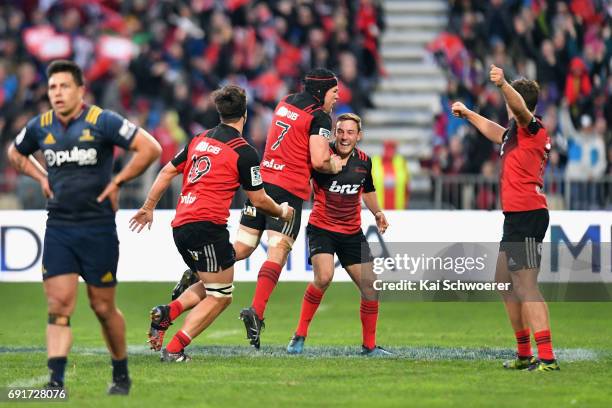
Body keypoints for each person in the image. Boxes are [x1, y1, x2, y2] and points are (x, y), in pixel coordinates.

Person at [7, 60, 162, 393]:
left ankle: (120, 374)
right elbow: (15, 153)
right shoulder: (40, 125)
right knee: (58, 305)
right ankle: (55, 382)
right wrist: (40, 176)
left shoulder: (102, 120)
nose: (57, 93)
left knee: (103, 307)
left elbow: (151, 148)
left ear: (80, 90)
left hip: (98, 228)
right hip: (60, 226)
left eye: (64, 86)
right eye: (52, 88)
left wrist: (119, 180)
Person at [129, 85, 294, 361]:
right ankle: (174, 349)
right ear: (244, 115)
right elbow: (260, 199)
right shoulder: (244, 151)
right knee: (221, 296)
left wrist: (148, 207)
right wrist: (282, 212)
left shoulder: (198, 139)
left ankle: (166, 313)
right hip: (206, 226)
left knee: (212, 284)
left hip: (181, 226)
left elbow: (168, 170)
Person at [451, 65, 559, 372]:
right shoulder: (514, 135)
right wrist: (470, 113)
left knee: (526, 286)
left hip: (527, 214)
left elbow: (519, 109)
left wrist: (503, 85)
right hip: (516, 215)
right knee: (503, 281)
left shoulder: (531, 127)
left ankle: (547, 357)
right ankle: (525, 353)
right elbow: (492, 131)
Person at [236, 68, 342, 349]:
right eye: (334, 92)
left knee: (242, 248)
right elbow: (319, 160)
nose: (337, 97)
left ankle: (197, 272)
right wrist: (336, 163)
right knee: (278, 250)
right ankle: (256, 312)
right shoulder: (319, 117)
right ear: (321, 92)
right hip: (287, 190)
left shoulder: (286, 102)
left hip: (261, 183)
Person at [285, 113, 391, 356]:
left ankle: (370, 347)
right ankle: (299, 335)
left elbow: (368, 189)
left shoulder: (364, 161)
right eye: (341, 131)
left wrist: (377, 213)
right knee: (324, 277)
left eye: (350, 132)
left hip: (351, 232)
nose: (345, 137)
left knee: (371, 286)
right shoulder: (321, 159)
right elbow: (299, 178)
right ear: (335, 133)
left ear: (359, 136)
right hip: (322, 229)